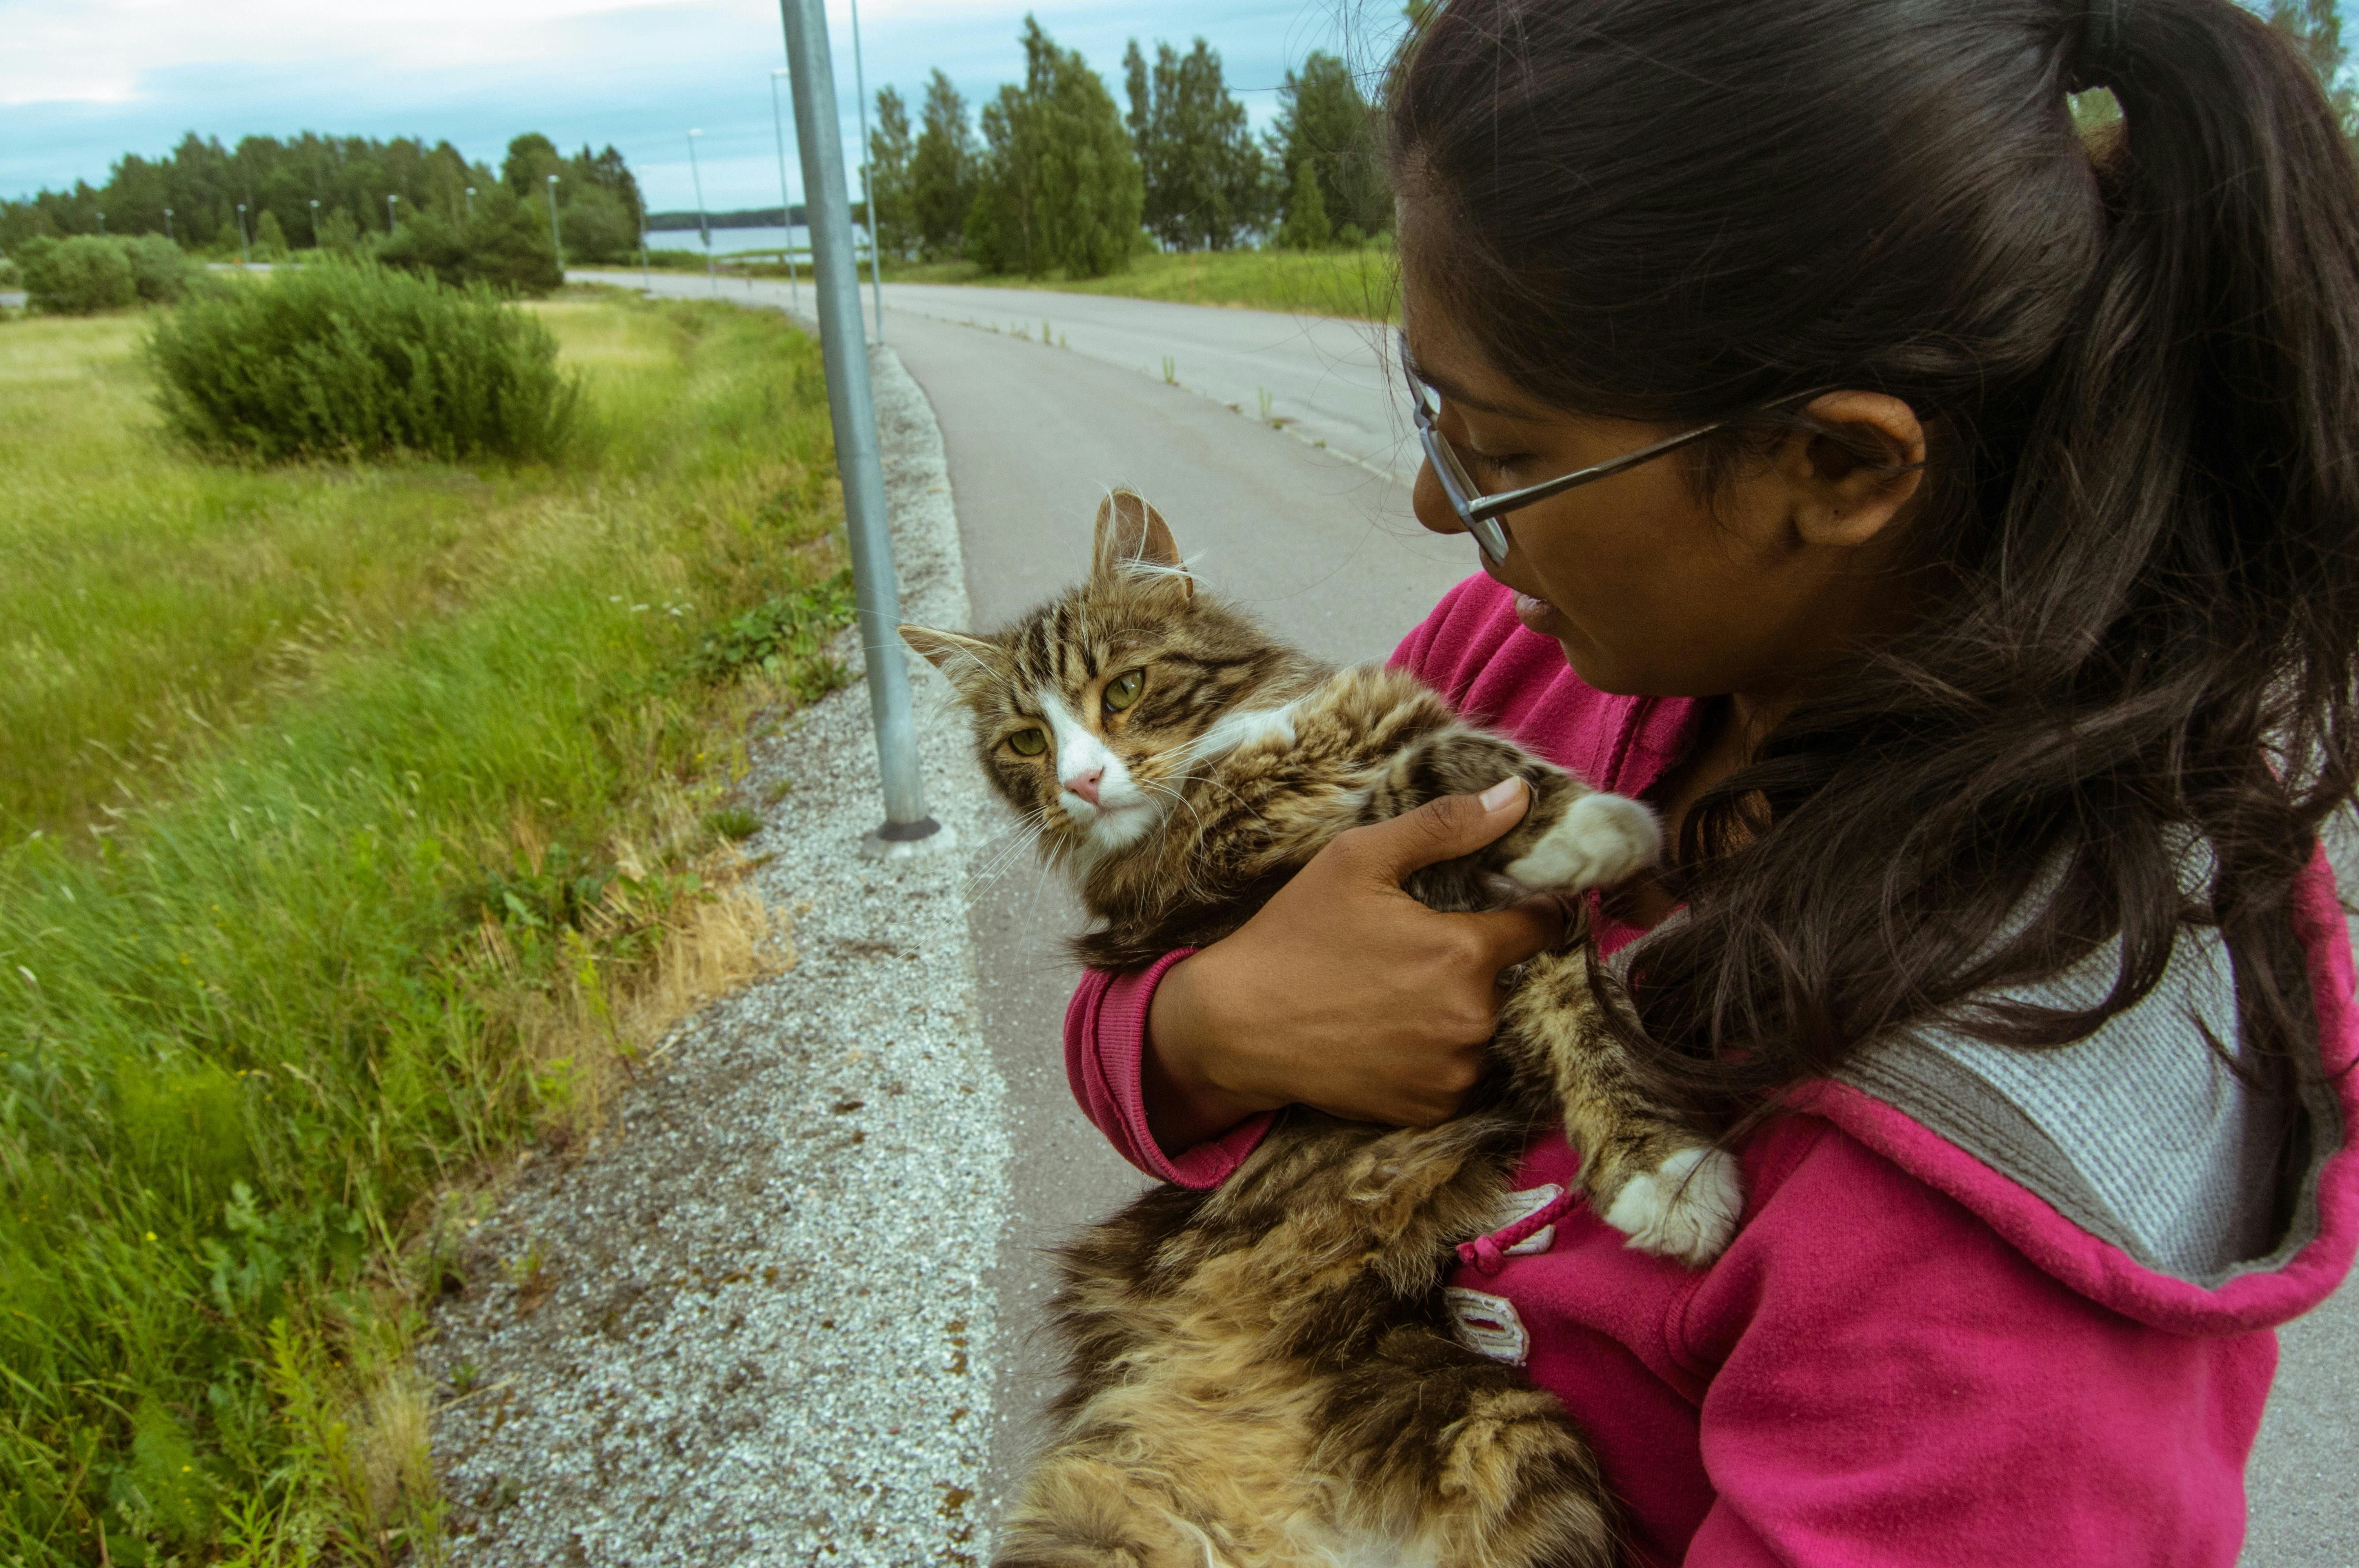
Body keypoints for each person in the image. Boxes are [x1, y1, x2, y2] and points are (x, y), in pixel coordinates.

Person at [1060, 0, 2359, 1562]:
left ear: (1839, 470)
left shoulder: (1974, 1202)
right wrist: (1214, 1025)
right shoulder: (1523, 663)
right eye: (1429, 410)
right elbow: (1145, 990)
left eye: (1504, 450)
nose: (1429, 501)